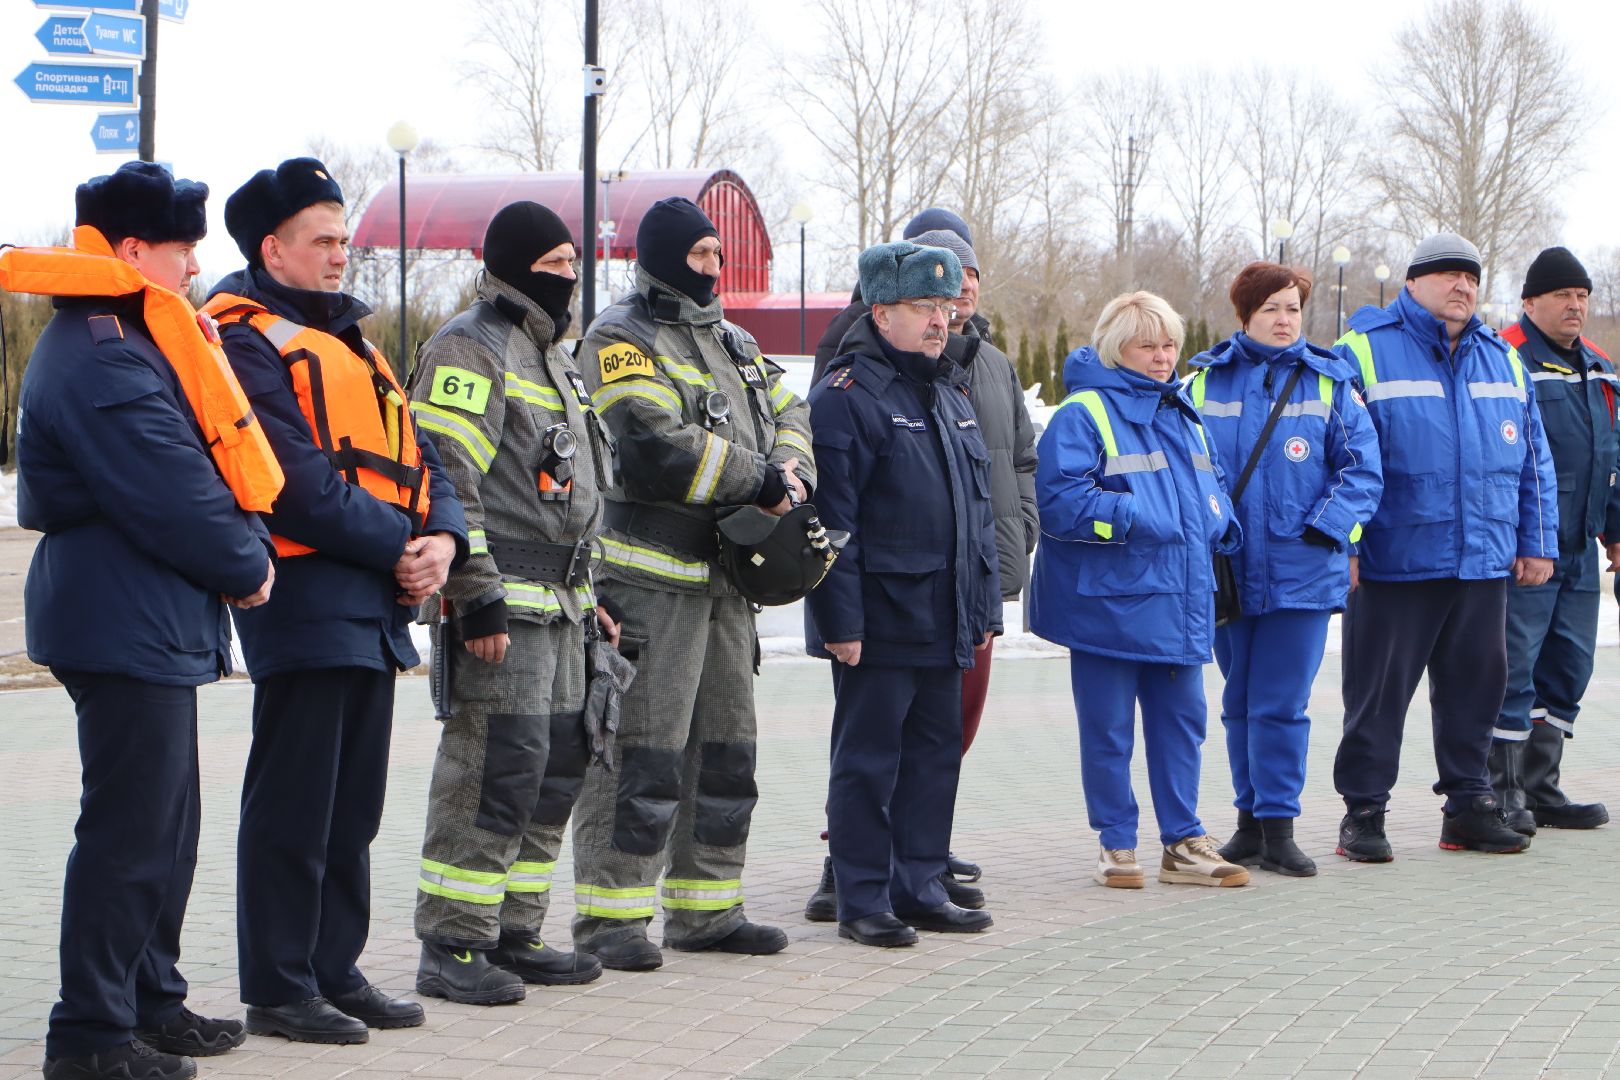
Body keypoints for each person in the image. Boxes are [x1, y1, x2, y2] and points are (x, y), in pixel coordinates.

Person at [4, 162, 281, 1080]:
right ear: (131, 250)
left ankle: (149, 1000)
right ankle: (88, 1034)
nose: (196, 263)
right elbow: (170, 487)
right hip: (120, 613)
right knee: (129, 832)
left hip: (143, 611)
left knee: (166, 824)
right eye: (182, 246)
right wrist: (246, 563)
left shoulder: (123, 334)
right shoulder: (104, 350)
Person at [203, 158, 467, 1043]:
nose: (340, 254)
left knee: (351, 806)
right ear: (271, 248)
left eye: (344, 239)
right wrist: (405, 546)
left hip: (371, 600)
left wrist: (445, 540)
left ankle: (331, 968)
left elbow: (421, 455)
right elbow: (294, 484)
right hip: (305, 596)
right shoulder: (240, 340)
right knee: (295, 804)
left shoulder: (355, 341)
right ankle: (279, 986)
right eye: (323, 240)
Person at [571, 196, 815, 970]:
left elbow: (792, 411)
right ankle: (612, 920)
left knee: (725, 753)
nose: (714, 269)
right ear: (666, 257)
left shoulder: (736, 342)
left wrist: (792, 471)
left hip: (724, 587)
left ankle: (708, 911)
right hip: (649, 586)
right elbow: (650, 445)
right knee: (641, 756)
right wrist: (758, 479)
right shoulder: (618, 337)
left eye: (719, 256)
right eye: (702, 255)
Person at [408, 201, 618, 1004]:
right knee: (491, 771)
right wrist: (475, 597)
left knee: (554, 772)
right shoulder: (472, 345)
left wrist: (591, 596)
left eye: (574, 262)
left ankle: (514, 931)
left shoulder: (554, 356)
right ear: (523, 264)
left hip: (565, 608)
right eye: (560, 262)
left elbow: (571, 490)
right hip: (505, 608)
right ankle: (454, 943)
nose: (572, 275)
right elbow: (447, 477)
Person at [803, 224, 1036, 920]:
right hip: (880, 623)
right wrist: (840, 624)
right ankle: (864, 898)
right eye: (923, 308)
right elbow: (830, 525)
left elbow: (974, 511)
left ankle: (921, 884)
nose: (941, 319)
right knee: (869, 764)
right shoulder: (846, 397)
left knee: (936, 758)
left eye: (945, 307)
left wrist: (984, 608)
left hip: (946, 618)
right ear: (880, 313)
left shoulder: (950, 389)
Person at [1333, 233, 1557, 860]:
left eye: (1472, 278)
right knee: (1377, 695)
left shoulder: (1502, 359)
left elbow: (1534, 459)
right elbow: (1340, 457)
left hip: (1483, 559)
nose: (1463, 287)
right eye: (1449, 276)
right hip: (1394, 562)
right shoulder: (1362, 352)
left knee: (1476, 689)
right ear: (1413, 283)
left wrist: (1535, 541)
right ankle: (1364, 812)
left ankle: (1467, 806)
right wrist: (1345, 545)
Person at [1030, 292, 1249, 890]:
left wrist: (1221, 519)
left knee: (1182, 725)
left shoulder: (1183, 412)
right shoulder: (1085, 413)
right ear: (1115, 348)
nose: (1162, 357)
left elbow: (1211, 488)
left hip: (1177, 602)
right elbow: (1058, 503)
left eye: (1169, 344)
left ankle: (1183, 841)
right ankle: (1116, 844)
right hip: (1109, 605)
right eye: (1147, 345)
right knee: (1107, 731)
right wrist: (1137, 517)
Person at [1187, 263, 1382, 877]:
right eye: (1270, 308)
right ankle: (1248, 825)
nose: (1283, 319)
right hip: (1228, 571)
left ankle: (1280, 826)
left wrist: (1326, 528)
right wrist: (1215, 522)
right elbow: (1188, 468)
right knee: (1239, 702)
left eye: (1293, 308)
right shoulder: (1203, 384)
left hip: (1302, 572)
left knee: (1282, 704)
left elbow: (1363, 469)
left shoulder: (1329, 383)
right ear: (1243, 315)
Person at [1492, 247, 1616, 831]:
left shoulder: (1599, 366)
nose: (1575, 306)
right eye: (1563, 295)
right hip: (1526, 549)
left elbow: (1611, 457)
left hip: (1580, 551)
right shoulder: (1502, 356)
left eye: (1583, 296)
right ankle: (1503, 791)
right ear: (1530, 301)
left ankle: (1543, 788)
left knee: (1570, 668)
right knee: (1514, 669)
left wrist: (1616, 532)